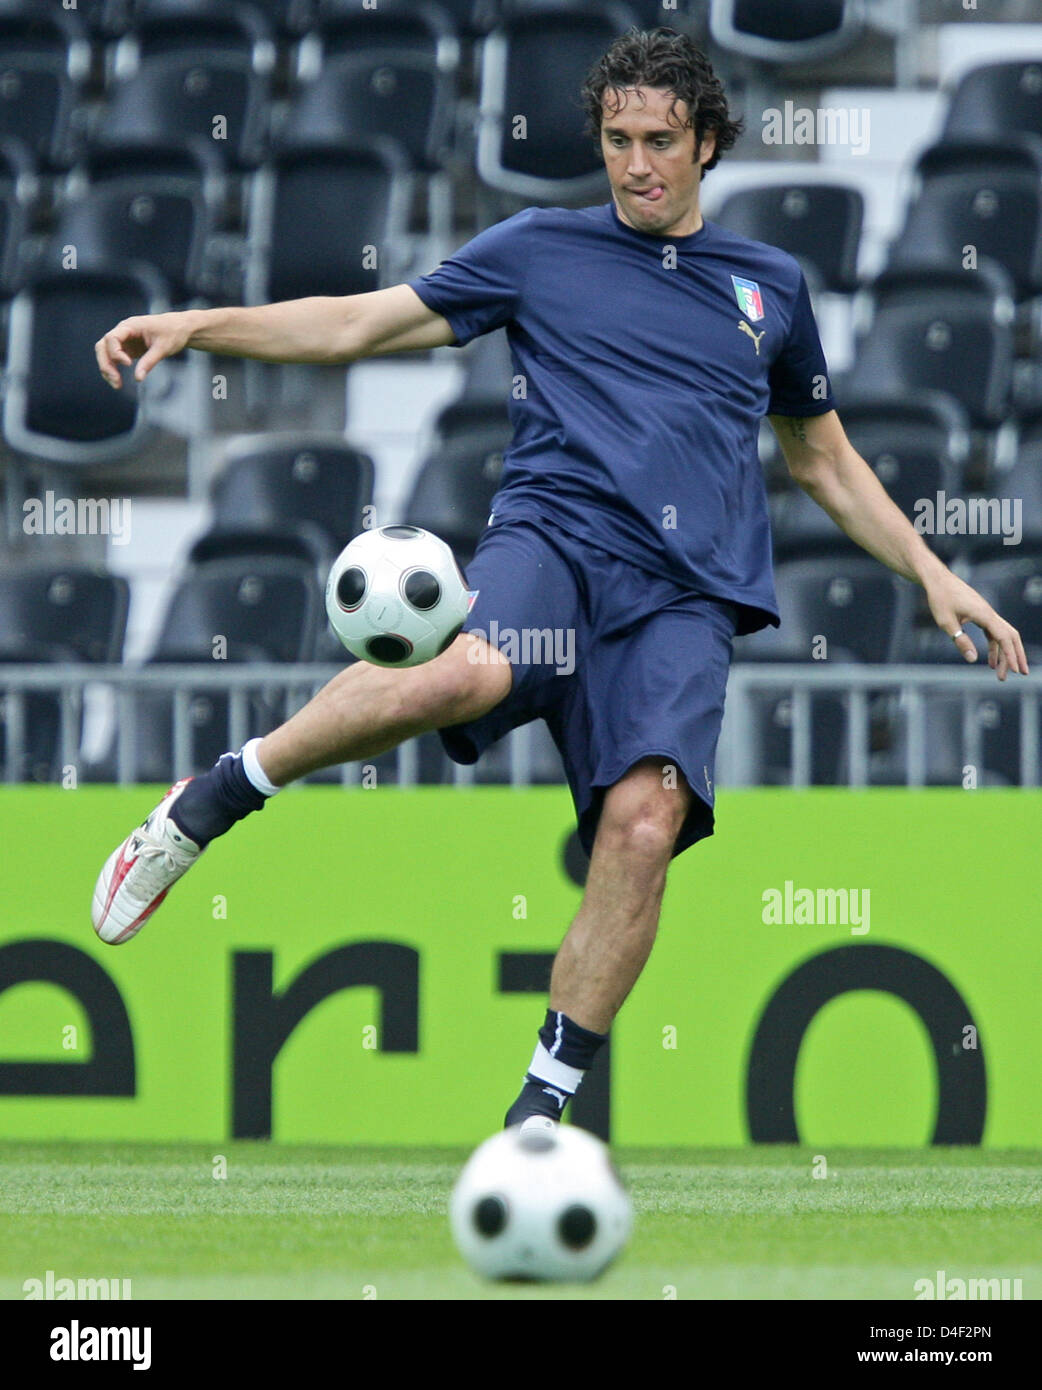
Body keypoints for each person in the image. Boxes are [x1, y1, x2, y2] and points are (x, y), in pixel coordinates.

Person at [90, 28, 1027, 1130]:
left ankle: (540, 1114)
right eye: (619, 139)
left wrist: (930, 569)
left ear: (708, 144)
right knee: (462, 677)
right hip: (556, 542)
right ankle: (210, 802)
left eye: (661, 142)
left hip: (684, 594)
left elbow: (818, 454)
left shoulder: (770, 288)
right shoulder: (538, 246)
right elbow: (356, 322)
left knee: (642, 825)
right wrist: (202, 324)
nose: (636, 164)